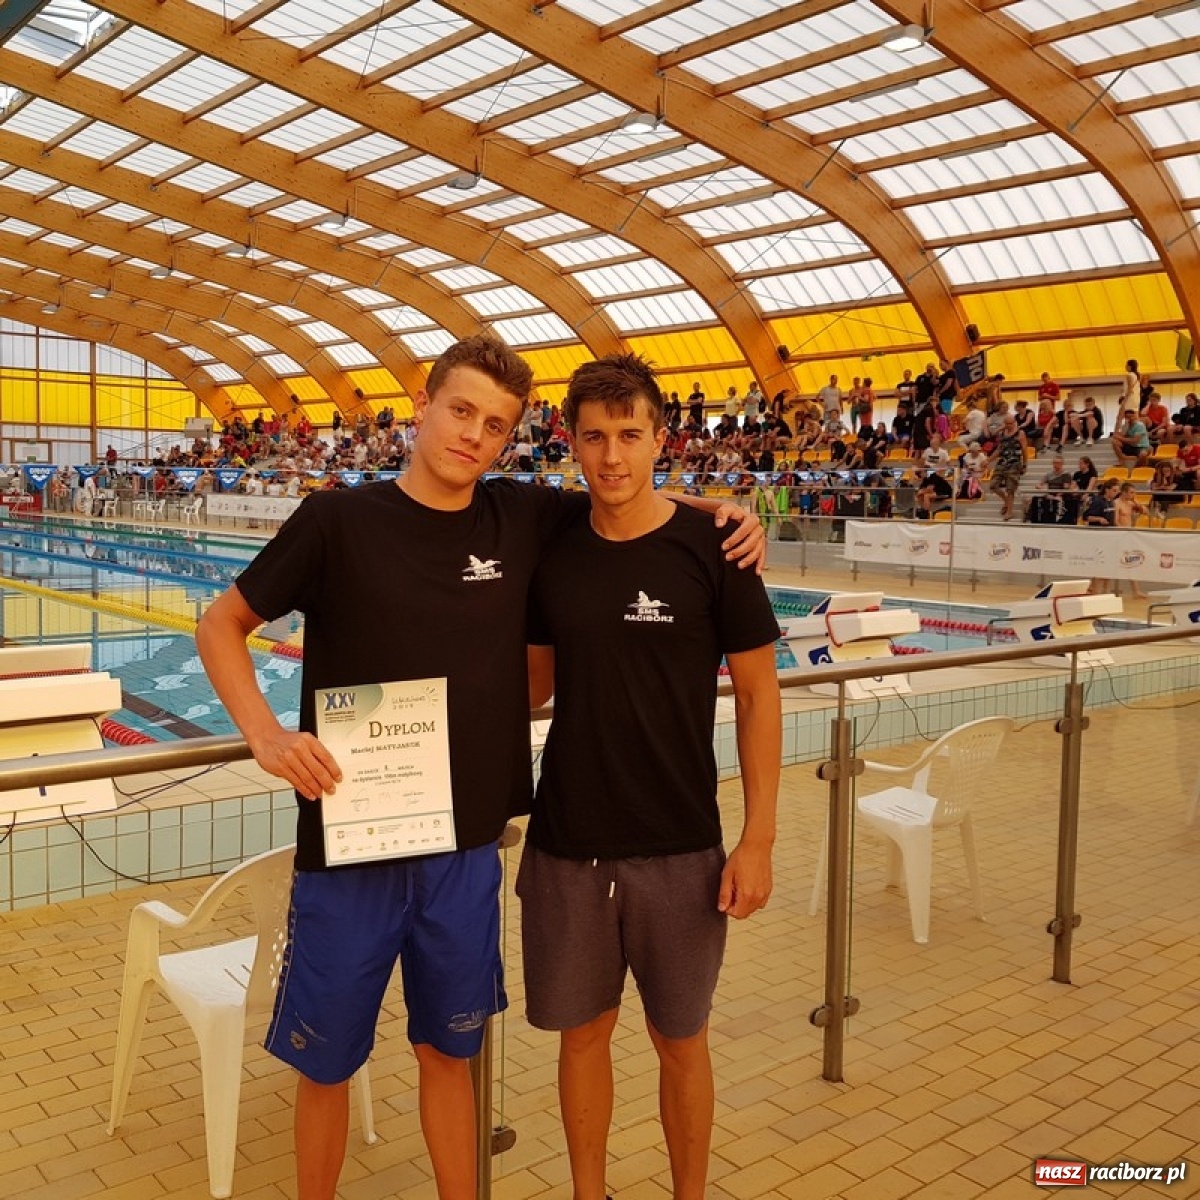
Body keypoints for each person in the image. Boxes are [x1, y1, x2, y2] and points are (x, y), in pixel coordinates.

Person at [194, 335, 764, 1200]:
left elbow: (625, 494)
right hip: (350, 846)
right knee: (326, 1067)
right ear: (421, 409)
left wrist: (723, 509)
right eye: (460, 411)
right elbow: (219, 624)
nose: (473, 435)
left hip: (464, 849)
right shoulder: (336, 521)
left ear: (510, 441)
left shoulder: (522, 516)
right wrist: (268, 737)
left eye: (495, 425)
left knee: (449, 1053)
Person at [521, 353, 781, 1200]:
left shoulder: (716, 549)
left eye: (630, 435)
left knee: (682, 1041)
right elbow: (533, 689)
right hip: (568, 843)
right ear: (569, 441)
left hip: (681, 845)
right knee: (583, 1038)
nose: (611, 457)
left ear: (661, 436)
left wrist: (760, 840)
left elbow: (757, 697)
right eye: (593, 437)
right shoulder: (553, 543)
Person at [988, 413, 1027, 520]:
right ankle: (1005, 501)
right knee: (993, 485)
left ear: (1014, 422)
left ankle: (1010, 511)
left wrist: (1025, 464)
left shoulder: (1020, 433)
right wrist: (988, 460)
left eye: (1011, 423)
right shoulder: (1002, 433)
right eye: (1007, 423)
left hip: (1014, 463)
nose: (1009, 425)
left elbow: (1024, 449)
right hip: (1002, 462)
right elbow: (999, 449)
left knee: (1010, 488)